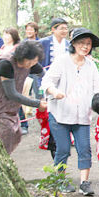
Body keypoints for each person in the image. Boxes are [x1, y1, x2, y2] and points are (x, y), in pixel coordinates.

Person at [41, 27, 99, 196]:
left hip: (82, 115)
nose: (85, 47)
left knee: (84, 148)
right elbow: (46, 82)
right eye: (82, 43)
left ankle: (84, 183)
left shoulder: (91, 66)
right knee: (62, 148)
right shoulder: (62, 61)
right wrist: (54, 92)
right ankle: (59, 180)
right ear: (74, 44)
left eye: (88, 44)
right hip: (60, 113)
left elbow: (98, 89)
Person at [0, 40, 47, 154]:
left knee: (16, 135)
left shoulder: (31, 63)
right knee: (6, 134)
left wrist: (45, 93)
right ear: (23, 56)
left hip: (12, 108)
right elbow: (11, 93)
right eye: (31, 61)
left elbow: (46, 76)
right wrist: (37, 104)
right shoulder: (5, 64)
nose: (32, 65)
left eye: (35, 62)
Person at [38, 17, 70, 159]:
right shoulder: (43, 43)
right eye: (61, 28)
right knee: (48, 114)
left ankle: (65, 140)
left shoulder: (69, 45)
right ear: (53, 29)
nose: (64, 31)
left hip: (65, 84)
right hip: (47, 83)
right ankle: (50, 141)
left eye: (66, 28)